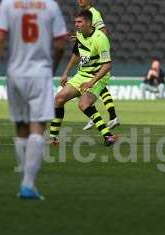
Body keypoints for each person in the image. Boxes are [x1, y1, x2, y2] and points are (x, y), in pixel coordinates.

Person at [0, 0, 67, 200]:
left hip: (15, 73)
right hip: (40, 73)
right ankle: (28, 184)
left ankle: (25, 181)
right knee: (38, 127)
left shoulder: (8, 4)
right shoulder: (50, 6)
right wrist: (52, 68)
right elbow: (60, 45)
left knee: (21, 128)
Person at [50, 9, 117, 146]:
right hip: (82, 74)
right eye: (75, 22)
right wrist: (66, 72)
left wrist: (92, 82)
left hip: (98, 76)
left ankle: (108, 136)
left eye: (80, 22)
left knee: (83, 104)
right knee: (58, 99)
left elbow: (107, 66)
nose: (77, 24)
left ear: (89, 22)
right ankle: (53, 138)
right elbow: (76, 54)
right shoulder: (80, 35)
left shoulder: (100, 39)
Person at [76, 0, 120, 131]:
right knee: (100, 88)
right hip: (92, 55)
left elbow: (103, 32)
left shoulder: (94, 13)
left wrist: (98, 48)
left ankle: (102, 116)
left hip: (96, 56)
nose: (79, 0)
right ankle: (112, 117)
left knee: (95, 86)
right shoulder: (86, 14)